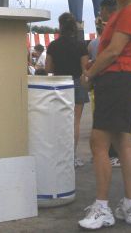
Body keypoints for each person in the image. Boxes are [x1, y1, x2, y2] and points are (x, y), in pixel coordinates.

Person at [78, 0, 131, 229]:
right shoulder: (122, 12)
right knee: (123, 143)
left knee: (98, 144)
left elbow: (114, 50)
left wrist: (89, 74)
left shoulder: (129, 12)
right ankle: (129, 205)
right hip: (124, 81)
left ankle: (103, 208)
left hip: (116, 80)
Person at [45, 12, 89, 167]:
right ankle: (72, 156)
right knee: (75, 122)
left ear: (60, 26)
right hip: (76, 83)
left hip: (58, 83)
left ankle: (59, 155)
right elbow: (85, 68)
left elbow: (48, 68)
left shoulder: (53, 45)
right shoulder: (80, 45)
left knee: (60, 120)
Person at [88, 0, 121, 168]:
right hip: (117, 82)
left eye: (101, 11)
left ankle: (106, 155)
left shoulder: (99, 41)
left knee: (103, 124)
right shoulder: (120, 32)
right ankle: (112, 155)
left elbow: (108, 55)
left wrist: (89, 74)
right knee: (115, 126)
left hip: (106, 81)